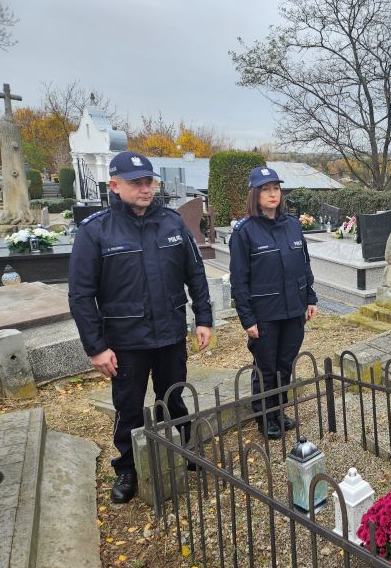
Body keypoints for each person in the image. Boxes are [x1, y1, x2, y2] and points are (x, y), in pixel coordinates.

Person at [68, 151, 213, 504]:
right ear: (115, 185)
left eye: (149, 181)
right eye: (136, 183)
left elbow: (195, 273)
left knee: (173, 396)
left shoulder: (172, 223)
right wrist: (96, 347)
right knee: (129, 406)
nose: (145, 188)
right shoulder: (95, 231)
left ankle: (182, 447)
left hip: (169, 334)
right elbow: (81, 295)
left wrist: (204, 318)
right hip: (125, 341)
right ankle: (128, 467)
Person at [229, 166, 318, 439]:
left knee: (284, 365)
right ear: (255, 194)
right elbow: (239, 280)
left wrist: (310, 298)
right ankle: (264, 416)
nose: (272, 194)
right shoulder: (244, 232)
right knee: (265, 368)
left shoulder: (292, 225)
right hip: (265, 314)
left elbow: (304, 265)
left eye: (276, 188)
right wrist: (247, 318)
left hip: (293, 311)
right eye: (265, 189)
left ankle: (279, 411)